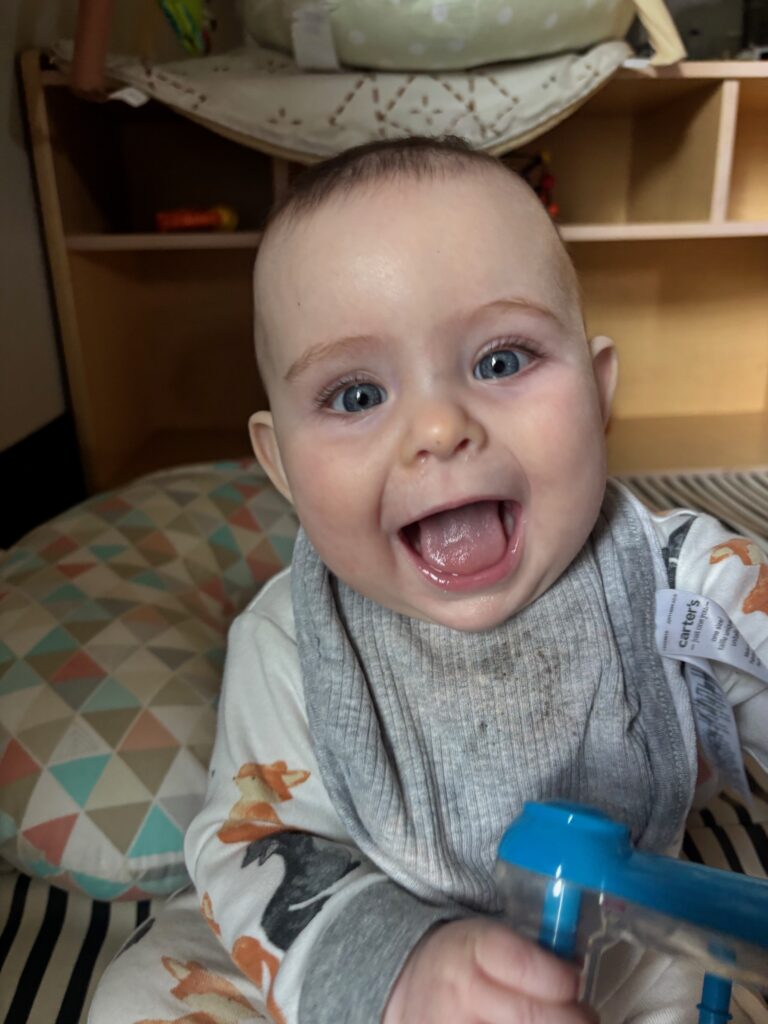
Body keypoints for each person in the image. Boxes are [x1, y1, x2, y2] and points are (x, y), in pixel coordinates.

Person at [89, 136, 768, 1024]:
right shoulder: (295, 638)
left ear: (600, 396)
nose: (440, 427)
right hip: (361, 946)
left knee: (710, 975)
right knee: (144, 993)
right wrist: (398, 970)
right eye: (357, 396)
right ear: (281, 464)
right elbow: (255, 841)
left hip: (611, 952)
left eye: (501, 361)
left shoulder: (674, 578)